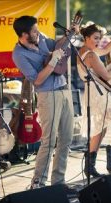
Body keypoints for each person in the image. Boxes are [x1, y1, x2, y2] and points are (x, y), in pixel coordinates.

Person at [12, 16, 75, 190]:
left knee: (66, 139)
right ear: (24, 35)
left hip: (64, 89)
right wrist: (53, 60)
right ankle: (38, 183)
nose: (37, 32)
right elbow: (37, 80)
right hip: (48, 95)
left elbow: (58, 45)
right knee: (49, 141)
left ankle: (58, 183)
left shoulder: (41, 38)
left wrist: (69, 34)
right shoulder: (18, 54)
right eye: (33, 30)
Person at [77, 23, 111, 178]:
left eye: (99, 38)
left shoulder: (83, 51)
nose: (97, 41)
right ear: (86, 37)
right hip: (99, 95)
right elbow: (107, 76)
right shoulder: (91, 55)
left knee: (100, 131)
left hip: (92, 94)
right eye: (95, 38)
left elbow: (106, 49)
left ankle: (89, 167)